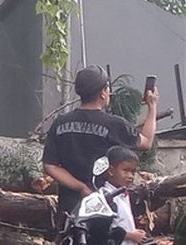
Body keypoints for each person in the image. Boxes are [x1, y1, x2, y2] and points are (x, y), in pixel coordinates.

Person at [42, 66, 158, 219]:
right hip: (105, 207)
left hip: (69, 209)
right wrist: (152, 106)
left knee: (69, 240)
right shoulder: (114, 125)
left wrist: (81, 187)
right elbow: (146, 142)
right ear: (103, 93)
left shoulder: (60, 123)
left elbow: (50, 166)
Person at [102, 146, 146, 245]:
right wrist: (129, 235)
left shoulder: (123, 194)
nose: (130, 176)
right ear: (111, 171)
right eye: (125, 171)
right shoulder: (106, 198)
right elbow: (102, 231)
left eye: (133, 172)